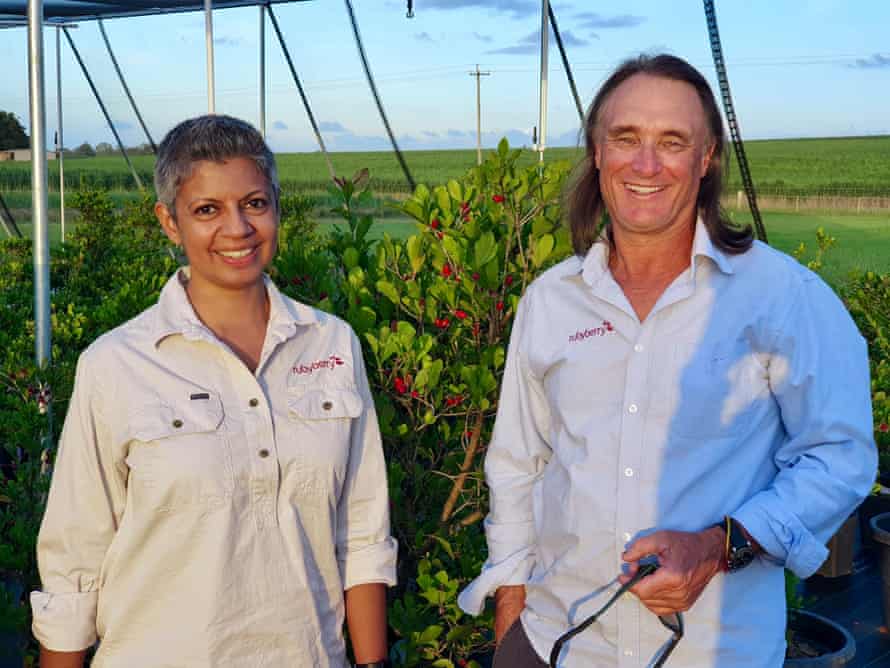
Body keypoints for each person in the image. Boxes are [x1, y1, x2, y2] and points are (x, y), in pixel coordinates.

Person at [458, 54, 876, 666]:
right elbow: (520, 462)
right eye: (625, 138)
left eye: (672, 142)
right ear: (598, 152)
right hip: (559, 640)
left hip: (710, 649)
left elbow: (841, 455)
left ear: (706, 159)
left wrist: (719, 545)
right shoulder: (552, 300)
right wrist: (511, 615)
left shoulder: (782, 298)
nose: (645, 164)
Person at [31, 115, 396, 668]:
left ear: (276, 205)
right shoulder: (116, 363)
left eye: (253, 203)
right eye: (207, 210)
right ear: (169, 222)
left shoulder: (332, 344)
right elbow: (72, 565)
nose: (238, 229)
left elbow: (364, 532)